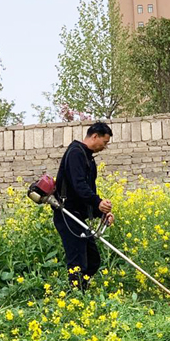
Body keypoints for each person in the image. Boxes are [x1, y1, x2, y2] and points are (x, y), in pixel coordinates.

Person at [53, 122, 114, 291]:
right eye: (104, 142)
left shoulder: (88, 158)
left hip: (78, 216)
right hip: (66, 213)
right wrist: (98, 203)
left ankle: (82, 292)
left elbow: (88, 191)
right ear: (95, 136)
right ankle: (76, 297)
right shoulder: (75, 153)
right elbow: (78, 185)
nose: (105, 147)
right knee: (77, 260)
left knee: (93, 259)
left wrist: (101, 212)